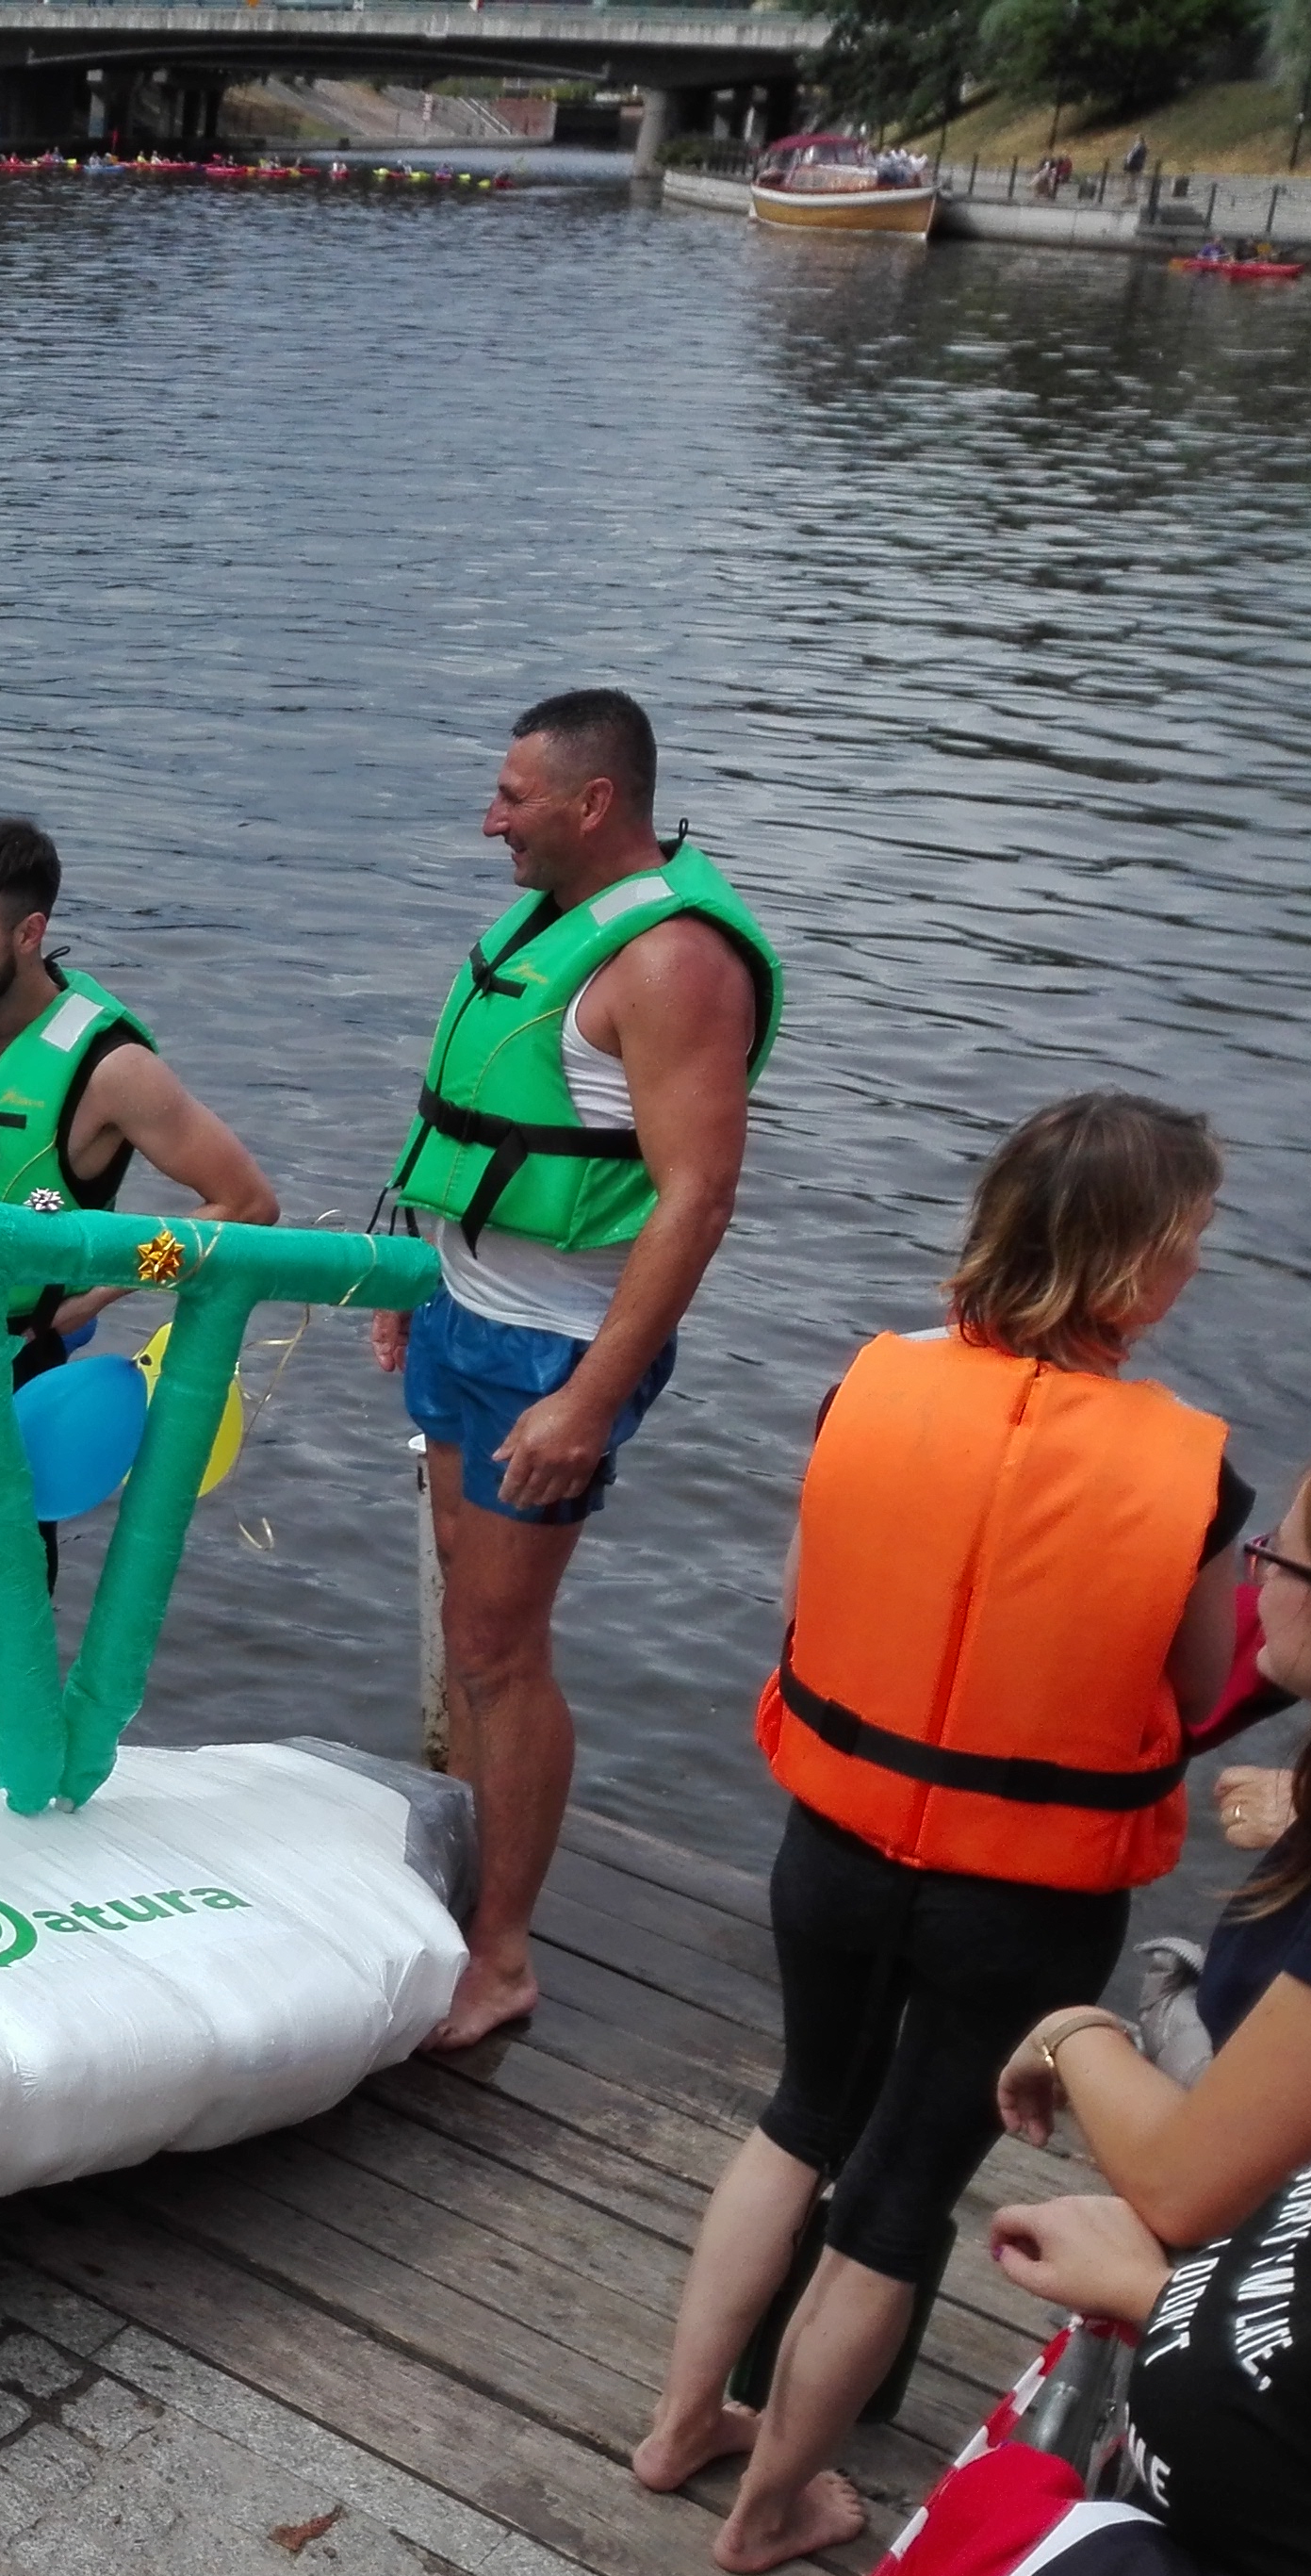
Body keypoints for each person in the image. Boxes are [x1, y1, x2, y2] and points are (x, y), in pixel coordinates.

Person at [631, 1094, 1241, 2575]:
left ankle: (682, 2424)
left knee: (800, 2118)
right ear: (1135, 1268)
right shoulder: (1192, 1474)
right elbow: (1201, 1686)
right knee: (899, 2200)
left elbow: (810, 1595)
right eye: (1188, 1245)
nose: (1193, 1271)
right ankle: (773, 2510)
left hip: (836, 1849)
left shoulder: (871, 1384)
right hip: (1023, 1901)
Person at [370, 689, 780, 2053]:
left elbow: (697, 1197)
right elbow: (478, 1104)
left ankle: (500, 1958)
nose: (490, 821)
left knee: (500, 1647)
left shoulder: (672, 964)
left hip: (552, 1348)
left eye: (513, 798)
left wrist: (590, 1398)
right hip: (461, 1312)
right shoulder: (549, 924)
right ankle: (465, 1886)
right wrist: (413, 1273)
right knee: (465, 1621)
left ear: (593, 802)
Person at [981, 1444, 1311, 2576]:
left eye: (1279, 1559)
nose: (1257, 1583)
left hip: (1256, 2405)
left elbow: (1185, 2180)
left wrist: (1069, 2031)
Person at [0, 818, 279, 1714]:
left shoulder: (114, 1072)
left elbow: (244, 1205)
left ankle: (24, 1756)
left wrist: (101, 1289)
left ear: (29, 933)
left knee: (10, 1583)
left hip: (12, 1361)